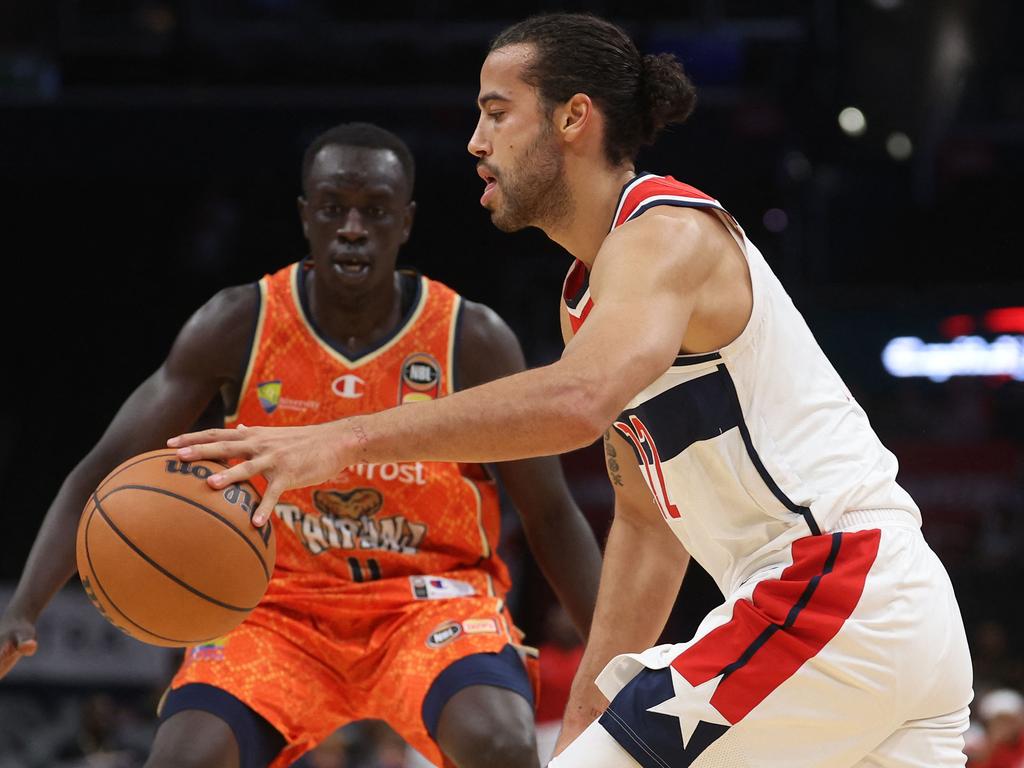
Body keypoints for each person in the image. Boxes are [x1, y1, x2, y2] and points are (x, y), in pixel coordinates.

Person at [169, 13, 974, 768]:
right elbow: (648, 520)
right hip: (882, 619)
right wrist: (590, 701)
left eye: (496, 113)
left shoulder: (664, 233)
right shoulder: (588, 295)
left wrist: (340, 439)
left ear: (572, 118)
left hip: (838, 586)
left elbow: (574, 403)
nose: (476, 142)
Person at [0, 122, 603, 768]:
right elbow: (101, 472)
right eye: (333, 208)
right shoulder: (238, 324)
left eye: (374, 211)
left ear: (406, 222)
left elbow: (549, 512)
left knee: (502, 745)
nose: (352, 227)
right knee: (182, 758)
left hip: (431, 601)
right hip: (275, 608)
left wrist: (614, 653)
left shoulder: (470, 338)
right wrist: (24, 609)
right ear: (304, 215)